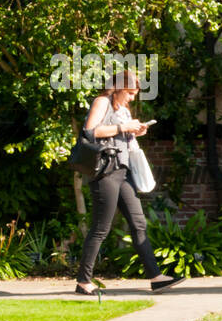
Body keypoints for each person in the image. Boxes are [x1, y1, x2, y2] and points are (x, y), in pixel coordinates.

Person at [74, 70, 183, 295]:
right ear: (120, 88)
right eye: (131, 93)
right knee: (101, 228)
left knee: (138, 223)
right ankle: (83, 281)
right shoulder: (102, 101)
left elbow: (121, 137)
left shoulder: (121, 109)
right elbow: (90, 132)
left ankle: (156, 277)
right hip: (105, 171)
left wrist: (137, 131)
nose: (132, 98)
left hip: (123, 172)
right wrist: (124, 127)